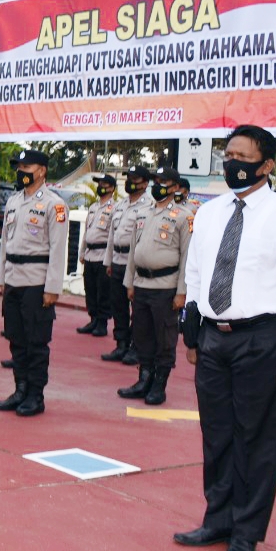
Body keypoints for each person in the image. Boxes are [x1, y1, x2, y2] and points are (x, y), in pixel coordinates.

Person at [175, 124, 276, 551]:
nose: (232, 162)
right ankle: (217, 519)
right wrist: (193, 329)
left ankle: (246, 532)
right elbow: (197, 273)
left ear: (267, 164)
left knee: (256, 439)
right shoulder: (212, 211)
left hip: (264, 338)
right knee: (216, 434)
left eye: (242, 155)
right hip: (214, 337)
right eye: (229, 154)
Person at [0, 148, 69, 417]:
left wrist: (52, 288)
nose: (21, 172)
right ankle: (20, 388)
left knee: (36, 341)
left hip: (37, 281)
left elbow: (58, 249)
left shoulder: (54, 204)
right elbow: (5, 244)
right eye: (19, 167)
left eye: (26, 167)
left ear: (41, 170)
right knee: (16, 339)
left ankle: (35, 395)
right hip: (14, 278)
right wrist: (2, 278)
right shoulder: (14, 202)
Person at [119, 166, 193, 405]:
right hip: (141, 284)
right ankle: (144, 379)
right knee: (142, 335)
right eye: (155, 181)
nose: (156, 186)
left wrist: (182, 292)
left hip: (166, 286)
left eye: (162, 182)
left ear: (174, 187)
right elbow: (133, 251)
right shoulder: (143, 213)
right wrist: (129, 282)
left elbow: (187, 257)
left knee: (164, 338)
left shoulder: (183, 216)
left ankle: (159, 385)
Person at [102, 165, 154, 363]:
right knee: (118, 306)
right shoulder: (121, 205)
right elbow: (111, 236)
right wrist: (108, 261)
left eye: (134, 179)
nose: (130, 182)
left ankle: (135, 346)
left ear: (145, 183)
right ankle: (121, 344)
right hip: (117, 260)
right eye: (128, 178)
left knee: (137, 309)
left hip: (134, 264)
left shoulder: (149, 205)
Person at [77, 174, 116, 335]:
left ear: (112, 188)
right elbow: (87, 232)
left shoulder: (114, 208)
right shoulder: (93, 207)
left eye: (104, 184)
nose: (100, 186)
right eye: (99, 183)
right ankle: (93, 319)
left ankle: (102, 323)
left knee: (103, 291)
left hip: (103, 254)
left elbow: (113, 235)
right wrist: (82, 252)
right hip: (90, 253)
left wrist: (110, 260)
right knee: (90, 289)